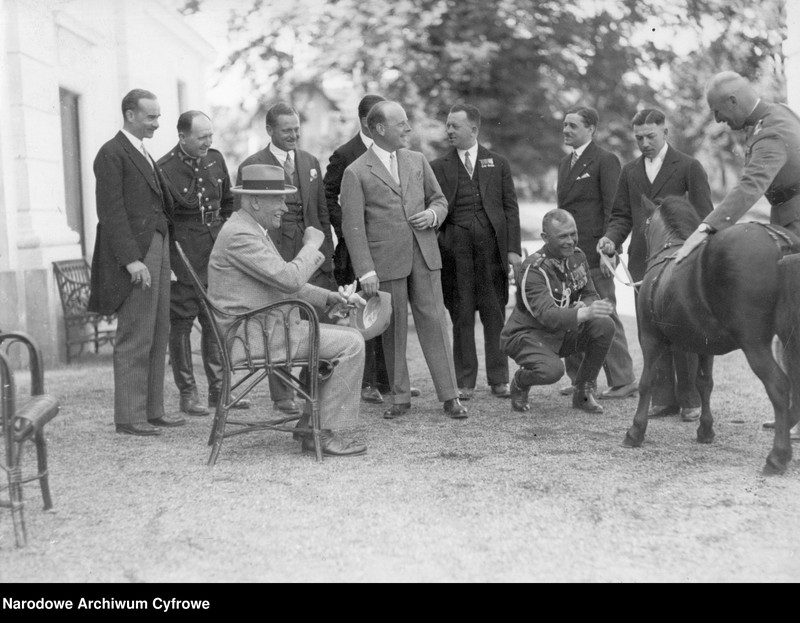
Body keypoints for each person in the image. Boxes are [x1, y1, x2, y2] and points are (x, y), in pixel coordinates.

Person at [207, 164, 367, 457]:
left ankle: (311, 423)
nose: (284, 207)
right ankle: (321, 431)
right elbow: (290, 279)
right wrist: (312, 244)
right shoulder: (242, 235)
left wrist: (332, 297)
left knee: (343, 337)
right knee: (353, 343)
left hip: (259, 328)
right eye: (278, 200)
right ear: (255, 201)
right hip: (255, 337)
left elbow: (281, 281)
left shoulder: (248, 229)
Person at [674, 71, 800, 432]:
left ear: (733, 101)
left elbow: (752, 185)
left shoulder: (771, 129)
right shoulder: (777, 115)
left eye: (718, 110)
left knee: (795, 326)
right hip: (789, 221)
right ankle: (793, 412)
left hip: (797, 226)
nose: (718, 120)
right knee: (789, 327)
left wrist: (707, 226)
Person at [341, 100, 468, 419]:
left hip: (424, 256)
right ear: (380, 129)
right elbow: (352, 226)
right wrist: (365, 270)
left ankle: (450, 395)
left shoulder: (417, 160)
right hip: (384, 264)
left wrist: (432, 214)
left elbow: (439, 200)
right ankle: (400, 397)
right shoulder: (355, 171)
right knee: (392, 330)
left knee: (436, 323)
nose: (408, 129)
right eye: (402, 124)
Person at [598, 108, 713, 422]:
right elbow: (621, 215)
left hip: (681, 263)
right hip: (642, 263)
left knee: (683, 329)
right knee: (651, 331)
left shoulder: (689, 167)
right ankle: (664, 399)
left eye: (650, 135)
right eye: (639, 137)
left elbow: (705, 217)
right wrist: (610, 238)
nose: (644, 142)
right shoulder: (630, 171)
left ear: (665, 132)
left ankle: (690, 400)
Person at [87, 89, 185, 436]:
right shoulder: (112, 153)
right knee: (136, 334)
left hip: (157, 252)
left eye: (158, 116)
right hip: (136, 257)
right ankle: (129, 416)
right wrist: (131, 261)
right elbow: (111, 213)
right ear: (130, 115)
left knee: (159, 330)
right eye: (151, 117)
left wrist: (164, 259)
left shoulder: (143, 152)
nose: (158, 123)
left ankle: (152, 409)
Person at [236, 102, 335, 416]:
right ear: (270, 130)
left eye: (296, 129)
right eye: (286, 130)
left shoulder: (309, 161)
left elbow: (320, 213)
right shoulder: (253, 165)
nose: (294, 135)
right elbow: (248, 218)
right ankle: (282, 397)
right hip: (275, 254)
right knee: (279, 323)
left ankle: (310, 391)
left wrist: (325, 257)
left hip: (310, 253)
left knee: (315, 323)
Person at [158, 111, 250, 416]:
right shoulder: (164, 169)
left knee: (215, 321)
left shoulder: (215, 158)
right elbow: (165, 221)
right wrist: (171, 262)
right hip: (183, 255)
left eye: (210, 136)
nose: (208, 142)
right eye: (201, 137)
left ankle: (219, 390)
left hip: (215, 253)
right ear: (182, 137)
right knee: (182, 324)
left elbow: (227, 202)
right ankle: (188, 393)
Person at [430, 103, 521, 401]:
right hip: (455, 253)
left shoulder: (498, 163)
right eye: (447, 125)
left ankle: (499, 379)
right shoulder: (437, 167)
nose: (449, 130)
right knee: (462, 314)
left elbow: (510, 209)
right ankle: (465, 381)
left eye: (455, 125)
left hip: (492, 251)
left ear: (474, 129)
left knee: (495, 314)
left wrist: (513, 252)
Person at [556, 106, 637, 401]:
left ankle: (624, 379)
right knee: (574, 314)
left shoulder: (605, 160)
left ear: (590, 129)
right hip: (570, 254)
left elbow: (615, 211)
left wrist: (611, 252)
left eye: (573, 126)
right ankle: (579, 379)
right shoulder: (565, 164)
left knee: (605, 313)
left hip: (595, 253)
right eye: (564, 125)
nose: (566, 130)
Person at [500, 209, 615, 413]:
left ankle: (583, 392)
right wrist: (581, 314)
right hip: (528, 335)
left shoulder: (577, 257)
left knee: (604, 324)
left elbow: (590, 294)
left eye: (573, 233)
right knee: (552, 371)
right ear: (545, 237)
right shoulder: (533, 269)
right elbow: (548, 316)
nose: (571, 241)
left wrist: (585, 307)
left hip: (560, 331)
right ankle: (520, 381)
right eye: (563, 236)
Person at [323, 94, 398, 404]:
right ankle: (366, 383)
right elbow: (327, 198)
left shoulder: (394, 152)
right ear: (368, 122)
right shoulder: (344, 155)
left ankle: (388, 380)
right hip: (357, 250)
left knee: (386, 309)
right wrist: (351, 227)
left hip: (388, 247)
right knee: (363, 313)